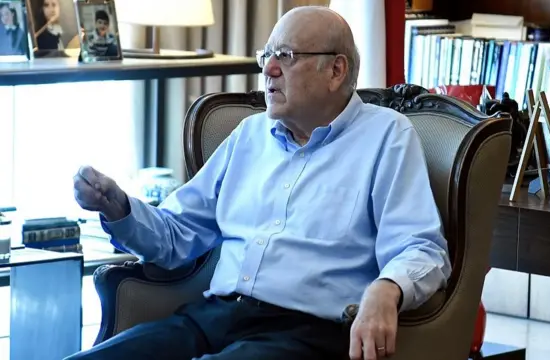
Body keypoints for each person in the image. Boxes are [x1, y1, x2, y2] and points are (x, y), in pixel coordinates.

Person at [69, 5, 451, 360]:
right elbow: (177, 234)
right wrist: (118, 207)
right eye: (265, 55)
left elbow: (421, 247)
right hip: (215, 316)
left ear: (336, 71)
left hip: (307, 332)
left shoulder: (386, 136)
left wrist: (388, 289)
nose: (268, 69)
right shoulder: (250, 134)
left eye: (285, 56)